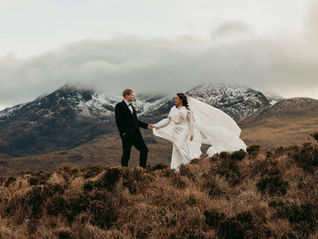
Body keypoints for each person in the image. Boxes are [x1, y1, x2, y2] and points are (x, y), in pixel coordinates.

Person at [152, 93, 247, 171]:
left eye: (176, 98)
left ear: (181, 100)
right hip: (175, 132)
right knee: (176, 150)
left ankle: (188, 166)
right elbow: (167, 121)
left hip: (184, 132)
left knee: (181, 147)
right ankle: (175, 169)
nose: (175, 100)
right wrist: (156, 125)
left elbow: (191, 123)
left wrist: (192, 134)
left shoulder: (187, 110)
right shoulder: (173, 109)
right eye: (175, 98)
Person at [115, 89, 152, 168]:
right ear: (126, 96)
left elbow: (135, 121)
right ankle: (124, 170)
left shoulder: (132, 106)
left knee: (144, 150)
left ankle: (142, 169)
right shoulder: (119, 106)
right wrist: (123, 132)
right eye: (132, 95)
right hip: (127, 134)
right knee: (126, 153)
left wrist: (146, 126)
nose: (133, 96)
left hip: (136, 134)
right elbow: (118, 121)